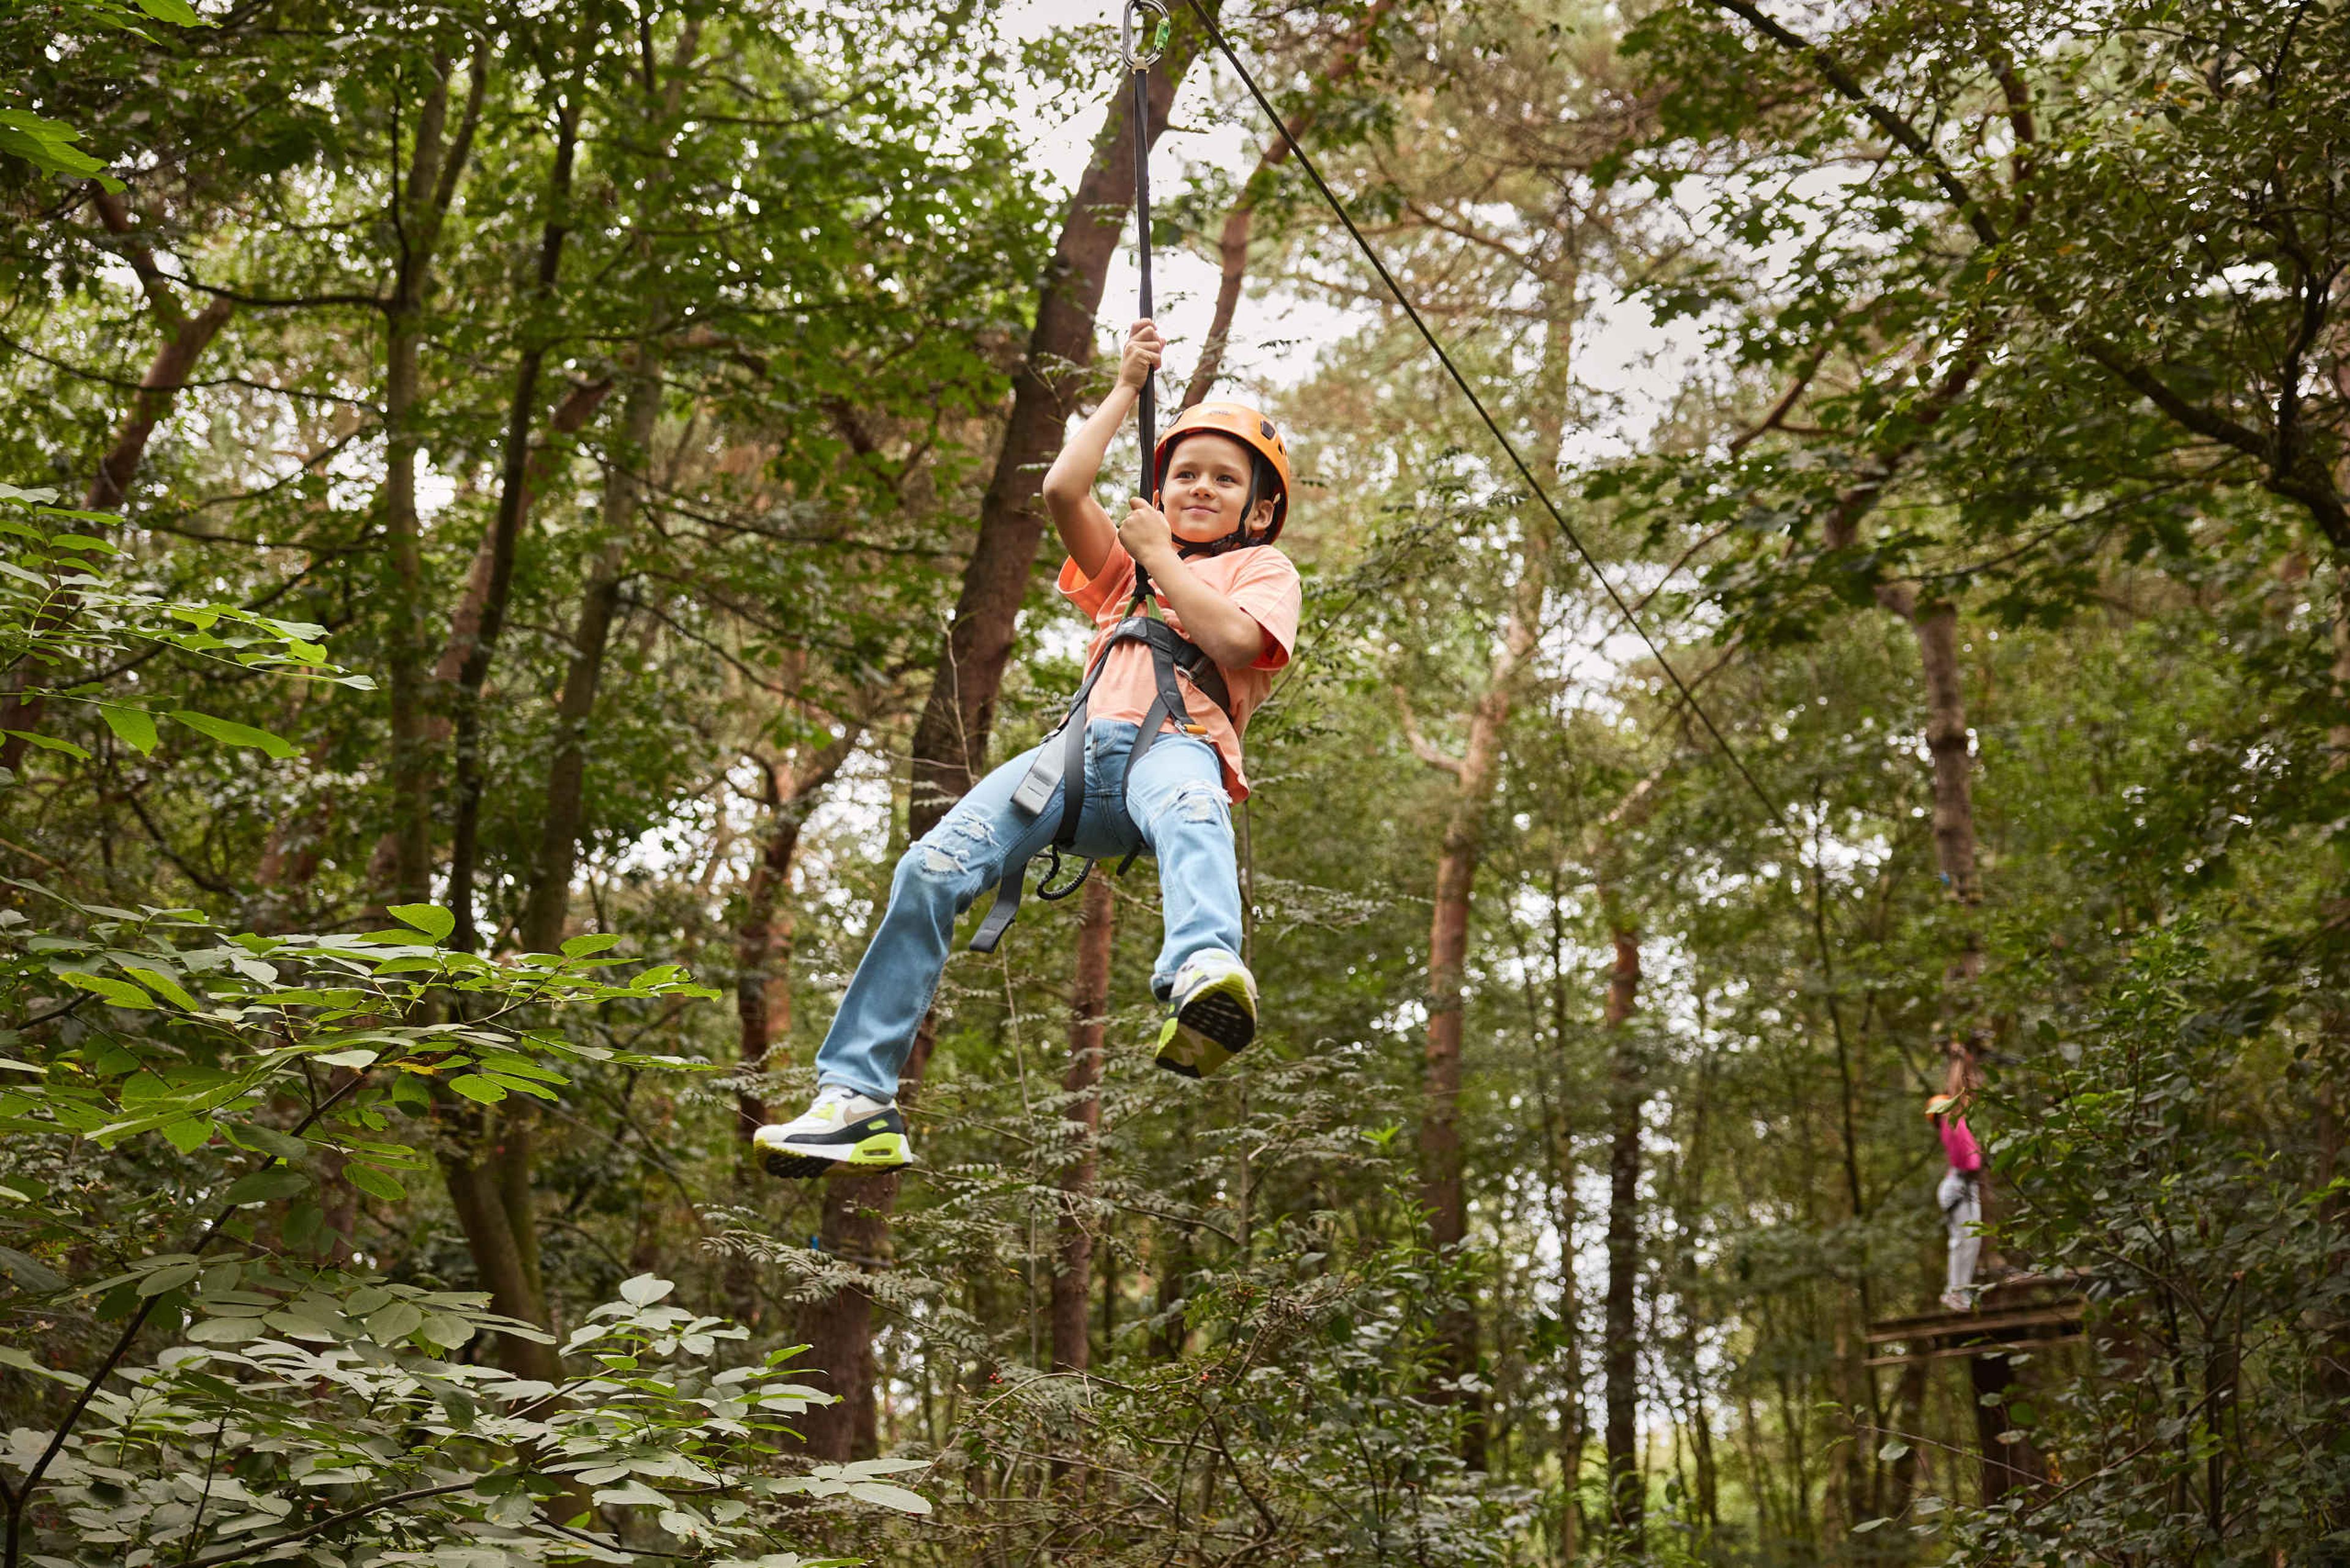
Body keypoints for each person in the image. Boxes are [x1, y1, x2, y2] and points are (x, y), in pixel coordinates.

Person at [753, 319, 1304, 1178]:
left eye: (1223, 479)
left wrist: (1162, 553)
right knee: (930, 869)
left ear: (1259, 508)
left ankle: (1203, 969)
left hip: (1177, 749)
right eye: (1183, 473)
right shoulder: (1125, 574)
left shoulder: (1261, 572)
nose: (1199, 487)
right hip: (1074, 763)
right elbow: (1061, 489)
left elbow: (1235, 642)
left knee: (1197, 811)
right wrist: (1126, 387)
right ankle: (857, 1099)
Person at [1927, 1069, 1985, 1313]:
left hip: (1965, 1185)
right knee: (1963, 1241)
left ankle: (1960, 1292)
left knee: (1971, 1241)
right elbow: (1957, 1093)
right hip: (1958, 1186)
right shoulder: (1948, 1126)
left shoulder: (1958, 1124)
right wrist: (1959, 1064)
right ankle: (1955, 1293)